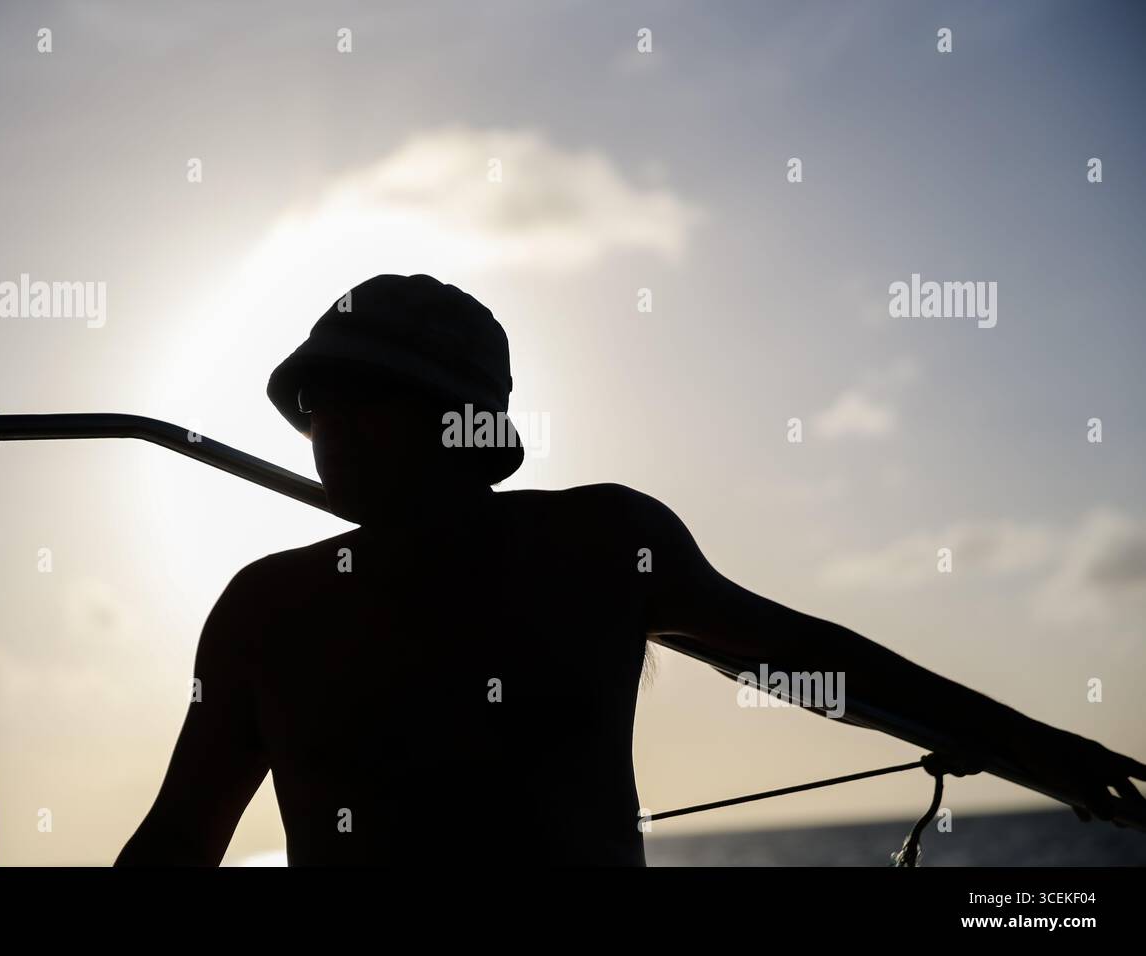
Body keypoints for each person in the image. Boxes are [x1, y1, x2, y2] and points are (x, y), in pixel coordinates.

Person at [116, 274, 1146, 866]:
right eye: (321, 404)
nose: (330, 429)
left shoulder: (598, 542)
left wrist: (1042, 752)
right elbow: (179, 838)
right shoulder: (266, 604)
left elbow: (810, 661)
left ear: (459, 424)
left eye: (365, 398)